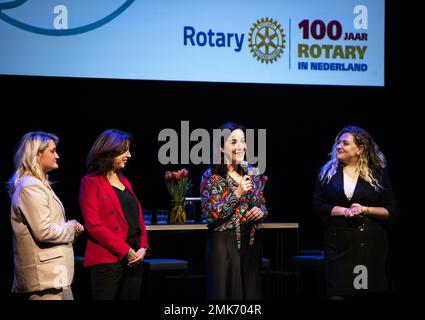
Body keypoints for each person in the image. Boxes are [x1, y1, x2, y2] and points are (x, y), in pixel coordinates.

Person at [313, 126, 399, 299]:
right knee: (338, 293)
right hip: (338, 246)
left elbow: (391, 210)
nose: (339, 146)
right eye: (338, 142)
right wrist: (345, 211)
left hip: (369, 248)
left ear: (360, 149)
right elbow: (318, 205)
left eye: (345, 143)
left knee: (365, 293)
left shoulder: (377, 173)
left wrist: (365, 209)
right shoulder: (327, 173)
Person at [8, 131, 84, 300]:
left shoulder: (38, 185)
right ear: (36, 153)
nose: (57, 156)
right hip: (44, 277)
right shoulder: (30, 186)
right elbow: (43, 231)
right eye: (52, 151)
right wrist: (70, 228)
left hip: (55, 274)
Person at [200, 122, 268, 299]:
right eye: (234, 142)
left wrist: (260, 211)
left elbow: (261, 203)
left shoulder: (252, 172)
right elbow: (211, 214)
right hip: (224, 246)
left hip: (250, 245)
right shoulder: (212, 176)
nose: (241, 147)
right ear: (221, 148)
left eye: (243, 141)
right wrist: (236, 193)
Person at [79, 129, 149, 300]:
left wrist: (143, 248)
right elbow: (94, 226)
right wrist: (125, 250)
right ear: (110, 151)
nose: (129, 155)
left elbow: (138, 220)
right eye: (125, 150)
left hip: (134, 259)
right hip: (108, 260)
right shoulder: (90, 182)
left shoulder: (125, 181)